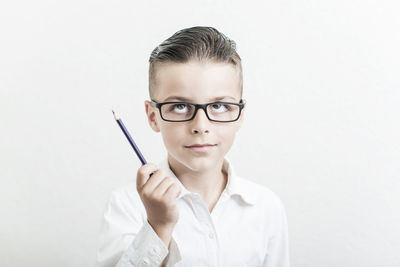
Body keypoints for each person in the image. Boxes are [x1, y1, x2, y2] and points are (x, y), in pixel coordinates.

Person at [97, 26, 290, 267]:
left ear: (240, 114)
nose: (200, 126)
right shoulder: (127, 205)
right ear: (152, 116)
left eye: (219, 106)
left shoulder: (266, 207)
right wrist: (158, 227)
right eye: (179, 106)